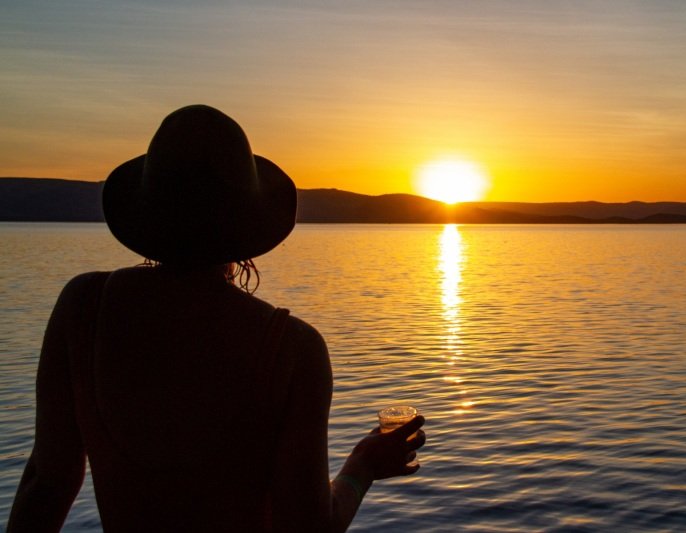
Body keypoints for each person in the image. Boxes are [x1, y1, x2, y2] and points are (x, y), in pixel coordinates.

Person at [7, 105, 426, 532]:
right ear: (249, 222)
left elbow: (47, 483)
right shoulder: (292, 349)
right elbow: (309, 525)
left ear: (146, 212)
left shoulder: (83, 307)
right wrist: (361, 467)